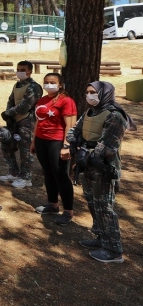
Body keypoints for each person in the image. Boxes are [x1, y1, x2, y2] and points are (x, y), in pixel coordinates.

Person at [68, 82, 136, 263]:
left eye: (93, 92)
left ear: (105, 94)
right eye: (87, 92)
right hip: (87, 164)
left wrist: (86, 154)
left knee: (105, 208)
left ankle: (114, 251)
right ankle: (100, 237)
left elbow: (108, 146)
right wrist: (74, 142)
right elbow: (74, 129)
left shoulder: (115, 116)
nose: (89, 96)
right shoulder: (90, 112)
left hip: (103, 167)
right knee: (92, 203)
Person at [31, 73, 77, 225]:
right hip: (41, 140)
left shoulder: (66, 101)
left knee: (61, 175)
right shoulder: (42, 100)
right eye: (46, 82)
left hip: (56, 141)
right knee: (48, 172)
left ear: (60, 85)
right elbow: (39, 121)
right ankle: (53, 204)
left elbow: (70, 126)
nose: (49, 85)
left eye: (52, 82)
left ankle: (68, 211)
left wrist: (66, 145)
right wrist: (33, 141)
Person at [0, 60, 42, 189]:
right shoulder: (17, 85)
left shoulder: (34, 87)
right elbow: (11, 100)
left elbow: (25, 106)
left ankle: (26, 177)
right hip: (14, 122)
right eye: (18, 69)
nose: (20, 72)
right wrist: (8, 114)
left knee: (26, 151)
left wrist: (9, 112)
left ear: (30, 71)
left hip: (27, 122)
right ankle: (14, 172)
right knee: (7, 145)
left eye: (23, 70)